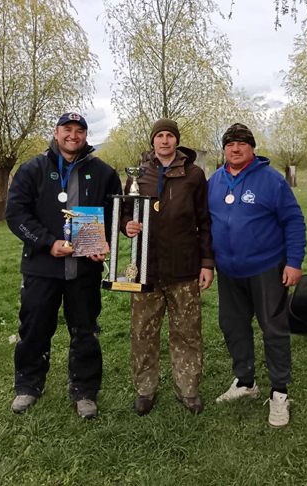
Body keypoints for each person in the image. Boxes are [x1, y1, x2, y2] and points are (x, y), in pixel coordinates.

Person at [5, 113, 122, 419]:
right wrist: (47, 242)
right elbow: (16, 214)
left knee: (85, 331)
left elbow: (114, 214)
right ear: (56, 133)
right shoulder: (33, 168)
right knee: (34, 328)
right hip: (41, 267)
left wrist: (104, 243)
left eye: (79, 130)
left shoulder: (103, 172)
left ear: (86, 135)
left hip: (84, 271)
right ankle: (28, 386)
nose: (73, 135)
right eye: (67, 129)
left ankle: (84, 392)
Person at [207, 123, 306, 428]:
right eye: (229, 144)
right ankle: (245, 382)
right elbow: (205, 223)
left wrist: (294, 262)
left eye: (241, 144)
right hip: (228, 270)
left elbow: (294, 221)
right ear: (224, 149)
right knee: (233, 326)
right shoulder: (214, 181)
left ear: (252, 148)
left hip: (266, 268)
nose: (235, 149)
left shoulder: (271, 180)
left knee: (273, 329)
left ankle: (279, 392)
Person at [121, 118, 214, 415]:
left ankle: (188, 389)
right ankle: (145, 389)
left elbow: (205, 221)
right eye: (159, 135)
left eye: (169, 136)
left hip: (184, 268)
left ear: (176, 140)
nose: (164, 141)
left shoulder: (194, 175)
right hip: (145, 269)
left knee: (187, 332)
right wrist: (126, 225)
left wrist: (207, 263)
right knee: (142, 333)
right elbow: (124, 211)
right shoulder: (137, 175)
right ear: (152, 141)